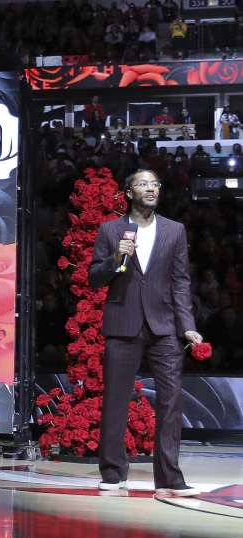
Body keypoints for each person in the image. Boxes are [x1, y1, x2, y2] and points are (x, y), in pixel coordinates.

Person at [89, 169, 201, 497]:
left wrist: (188, 326)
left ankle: (169, 478)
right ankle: (112, 472)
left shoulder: (174, 230)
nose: (150, 189)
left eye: (155, 184)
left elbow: (181, 282)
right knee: (115, 401)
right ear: (128, 193)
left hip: (165, 326)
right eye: (143, 184)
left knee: (171, 401)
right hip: (123, 322)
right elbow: (95, 277)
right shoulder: (111, 230)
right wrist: (116, 257)